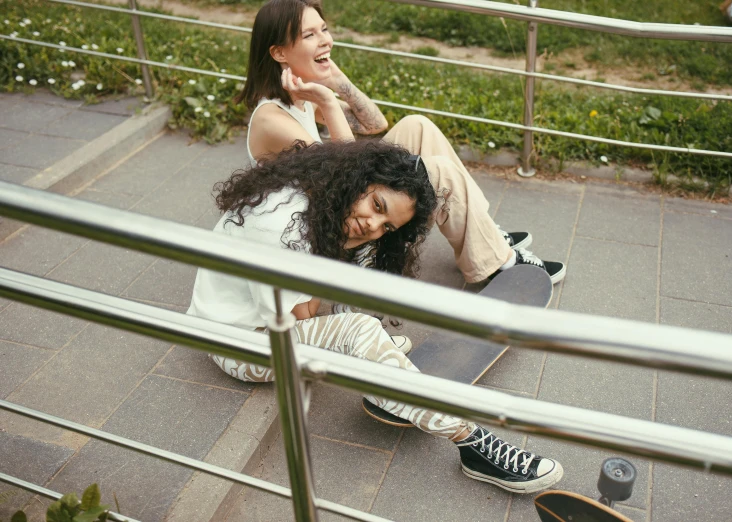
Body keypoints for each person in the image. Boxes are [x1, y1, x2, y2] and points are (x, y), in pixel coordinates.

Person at [186, 140, 564, 493]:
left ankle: (380, 368)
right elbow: (302, 317)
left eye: (387, 225)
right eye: (377, 206)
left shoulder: (318, 196)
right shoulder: (282, 231)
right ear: (358, 179)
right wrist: (337, 252)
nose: (372, 223)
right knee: (358, 327)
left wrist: (351, 245)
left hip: (259, 318)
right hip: (239, 344)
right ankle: (471, 443)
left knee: (364, 258)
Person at [235, 0, 566, 286]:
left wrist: (338, 83)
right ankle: (495, 264)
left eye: (324, 29)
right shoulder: (272, 119)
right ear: (279, 52)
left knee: (416, 127)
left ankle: (485, 232)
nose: (326, 41)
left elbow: (376, 125)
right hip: (322, 231)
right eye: (310, 35)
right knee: (437, 173)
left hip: (341, 202)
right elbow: (349, 175)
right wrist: (330, 103)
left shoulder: (302, 97)